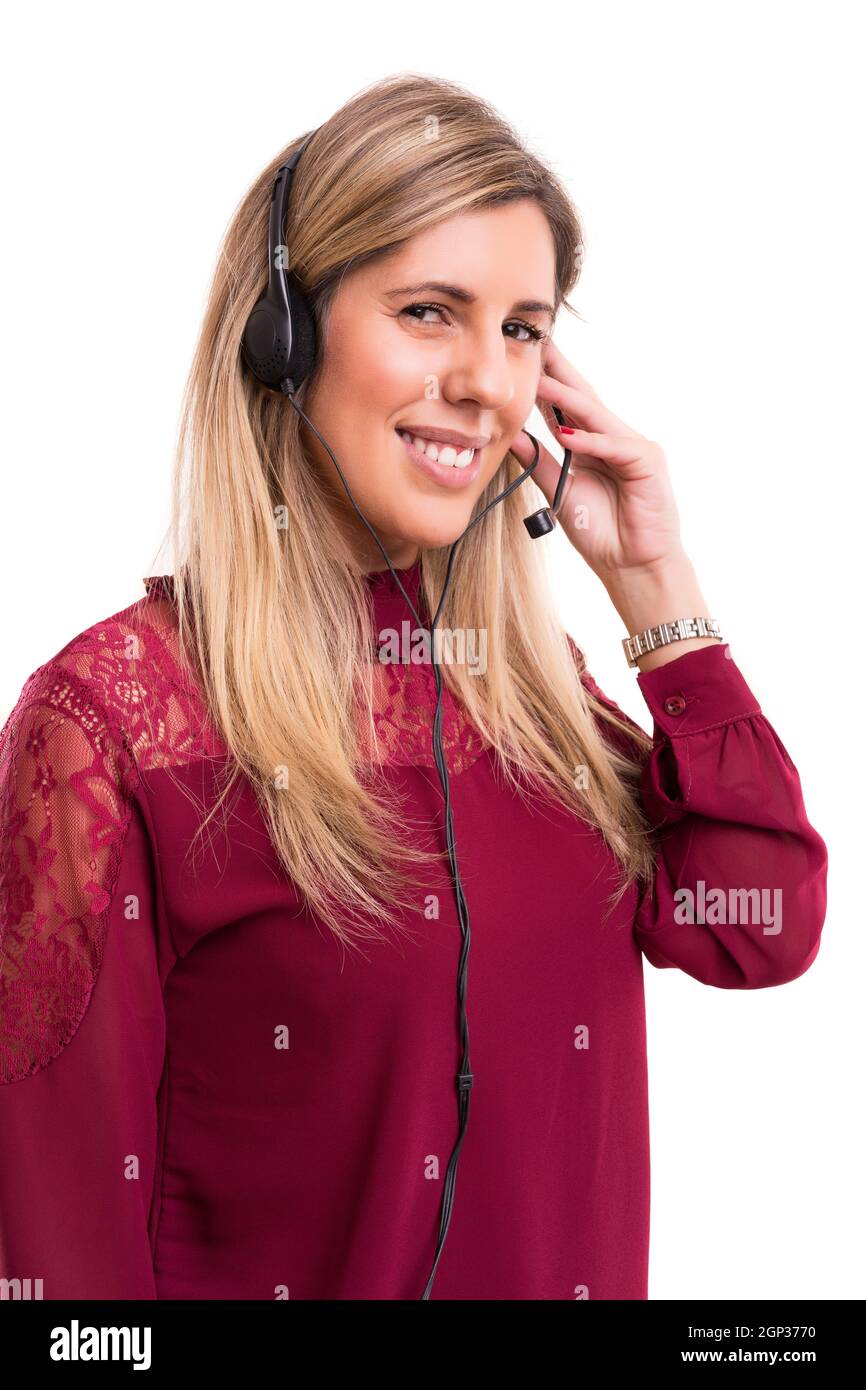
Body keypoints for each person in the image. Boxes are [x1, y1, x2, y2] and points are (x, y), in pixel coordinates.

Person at [0, 73, 827, 1301]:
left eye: (520, 327)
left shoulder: (523, 692)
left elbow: (758, 922)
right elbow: (64, 1265)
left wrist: (655, 586)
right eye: (430, 310)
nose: (489, 383)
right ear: (282, 334)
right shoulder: (113, 727)